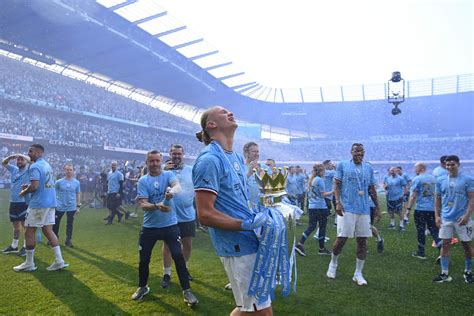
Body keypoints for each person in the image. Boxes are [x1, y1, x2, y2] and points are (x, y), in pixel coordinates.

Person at [193, 106, 271, 315]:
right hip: (236, 246)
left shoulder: (235, 157)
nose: (230, 113)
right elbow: (205, 214)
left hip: (249, 239)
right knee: (261, 311)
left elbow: (239, 200)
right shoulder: (209, 160)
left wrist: (264, 215)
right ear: (211, 125)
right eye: (223, 112)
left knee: (248, 310)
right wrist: (244, 224)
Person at [131, 150, 198, 307]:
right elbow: (143, 204)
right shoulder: (143, 180)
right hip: (149, 227)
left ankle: (187, 291)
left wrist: (169, 193)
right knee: (144, 259)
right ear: (147, 163)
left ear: (161, 162)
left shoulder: (167, 176)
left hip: (170, 225)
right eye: (151, 161)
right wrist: (157, 205)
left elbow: (178, 187)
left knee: (178, 255)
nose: (154, 164)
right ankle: (142, 287)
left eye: (157, 161)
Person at [326, 143, 380, 286]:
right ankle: (333, 263)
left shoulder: (368, 167)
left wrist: (378, 208)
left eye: (361, 152)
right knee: (342, 238)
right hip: (347, 208)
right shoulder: (343, 165)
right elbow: (336, 185)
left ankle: (358, 273)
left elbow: (371, 188)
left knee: (363, 241)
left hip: (363, 209)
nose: (359, 154)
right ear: (351, 152)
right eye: (356, 152)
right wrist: (338, 202)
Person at [13, 144, 68, 272]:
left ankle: (29, 263)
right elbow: (41, 183)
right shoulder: (47, 165)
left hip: (39, 203)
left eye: (30, 152)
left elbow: (35, 186)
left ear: (38, 153)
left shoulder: (35, 166)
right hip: (50, 202)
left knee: (29, 231)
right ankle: (59, 261)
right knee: (48, 230)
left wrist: (24, 192)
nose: (28, 154)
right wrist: (30, 186)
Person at [433, 155, 473, 284]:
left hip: (462, 218)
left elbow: (472, 198)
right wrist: (437, 216)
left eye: (452, 164)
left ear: (458, 165)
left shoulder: (468, 179)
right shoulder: (440, 180)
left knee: (466, 245)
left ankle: (468, 272)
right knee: (445, 244)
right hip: (446, 218)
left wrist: (467, 215)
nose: (449, 167)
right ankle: (444, 274)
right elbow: (437, 199)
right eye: (447, 164)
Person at [161, 144, 197, 288]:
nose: (176, 156)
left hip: (187, 215)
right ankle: (167, 273)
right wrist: (163, 170)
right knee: (168, 245)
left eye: (179, 154)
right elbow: (151, 180)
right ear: (170, 154)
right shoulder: (164, 171)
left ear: (183, 155)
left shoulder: (191, 170)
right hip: (169, 215)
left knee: (187, 244)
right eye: (174, 154)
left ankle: (185, 269)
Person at [295, 163, 332, 256]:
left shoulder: (312, 180)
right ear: (320, 171)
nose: (325, 172)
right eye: (324, 170)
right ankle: (321, 248)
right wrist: (333, 192)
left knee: (311, 226)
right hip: (320, 207)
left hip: (312, 207)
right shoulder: (320, 180)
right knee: (322, 227)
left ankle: (300, 243)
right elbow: (323, 195)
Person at [406, 162, 440, 260]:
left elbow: (413, 196)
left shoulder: (417, 179)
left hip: (421, 209)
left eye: (415, 168)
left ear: (420, 169)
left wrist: (408, 209)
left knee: (420, 230)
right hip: (432, 209)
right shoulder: (434, 179)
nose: (414, 170)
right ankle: (442, 251)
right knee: (434, 230)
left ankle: (421, 253)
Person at [2, 153, 30, 256]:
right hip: (13, 202)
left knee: (25, 226)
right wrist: (10, 157)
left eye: (21, 160)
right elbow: (3, 163)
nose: (19, 162)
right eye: (18, 160)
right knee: (15, 226)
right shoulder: (14, 169)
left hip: (23, 202)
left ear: (25, 162)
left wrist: (21, 155)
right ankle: (14, 246)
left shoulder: (28, 170)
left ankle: (25, 246)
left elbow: (31, 161)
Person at [53, 164, 81, 248]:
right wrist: (54, 203)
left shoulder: (76, 182)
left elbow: (78, 193)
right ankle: (54, 238)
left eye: (70, 170)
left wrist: (78, 206)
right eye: (67, 170)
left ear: (73, 171)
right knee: (56, 223)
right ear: (64, 171)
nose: (68, 171)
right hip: (60, 206)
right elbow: (53, 193)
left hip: (71, 206)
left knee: (70, 224)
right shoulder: (58, 182)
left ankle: (68, 240)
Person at [383, 167, 407, 231]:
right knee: (391, 211)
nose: (392, 172)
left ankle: (401, 226)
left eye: (393, 170)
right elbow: (385, 187)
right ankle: (392, 224)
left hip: (398, 197)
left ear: (396, 171)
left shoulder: (400, 178)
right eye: (391, 170)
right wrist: (385, 188)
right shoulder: (388, 178)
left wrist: (403, 195)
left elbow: (405, 187)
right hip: (390, 197)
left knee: (399, 211)